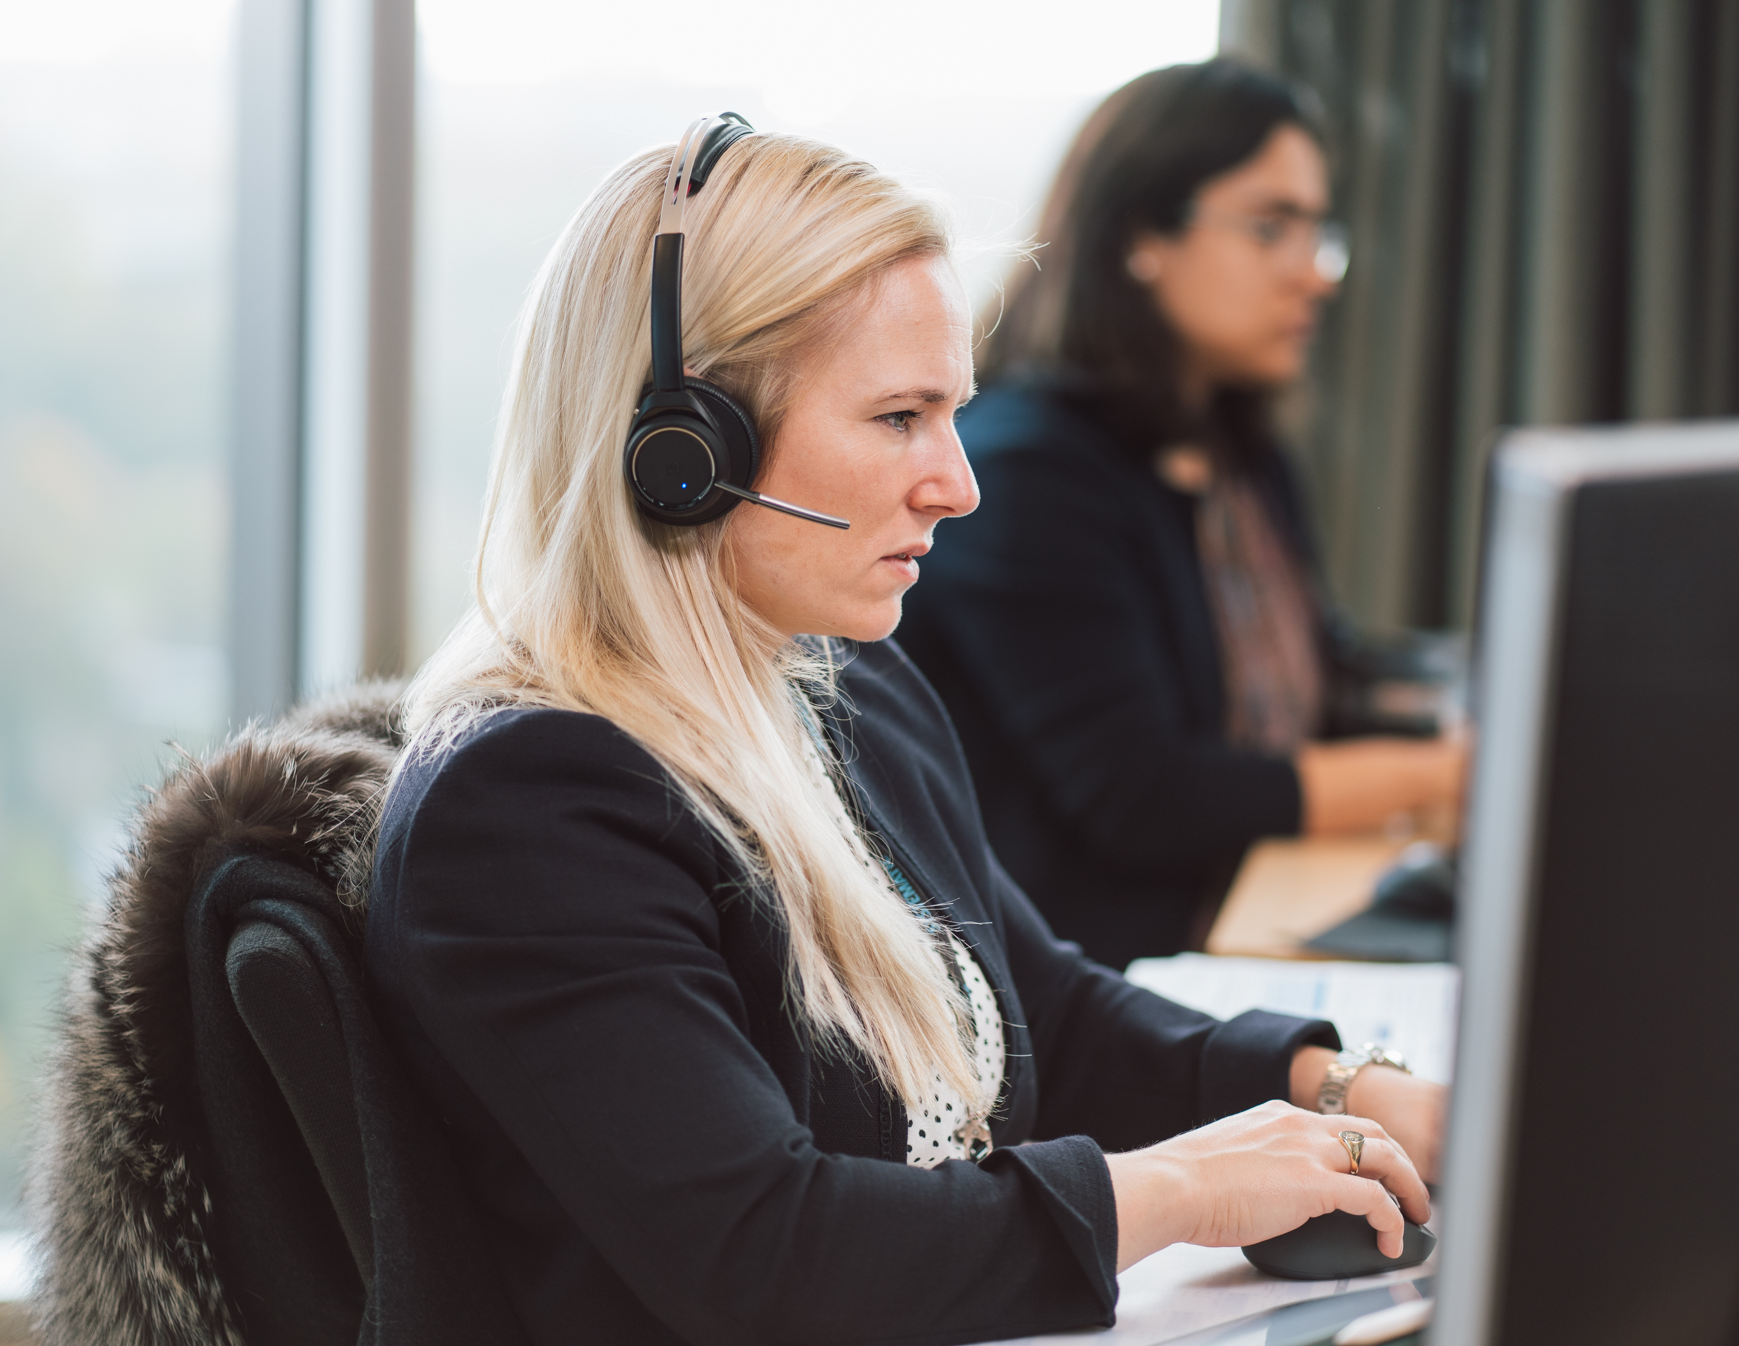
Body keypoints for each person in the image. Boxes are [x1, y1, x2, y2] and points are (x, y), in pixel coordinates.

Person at [368, 119, 1444, 1346]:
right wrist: (1184, 1189)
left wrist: (1343, 1087)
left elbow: (1043, 1006)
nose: (957, 481)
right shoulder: (527, 807)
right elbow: (764, 1252)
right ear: (685, 452)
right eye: (897, 418)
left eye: (953, 414)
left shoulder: (843, 685)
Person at [900, 61, 1467, 971]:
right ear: (1142, 237)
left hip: (1219, 919)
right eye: (1270, 226)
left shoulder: (1235, 445)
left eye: (1318, 231)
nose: (1313, 274)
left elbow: (1321, 666)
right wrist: (1441, 777)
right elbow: (1146, 797)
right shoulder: (1025, 473)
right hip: (1093, 972)